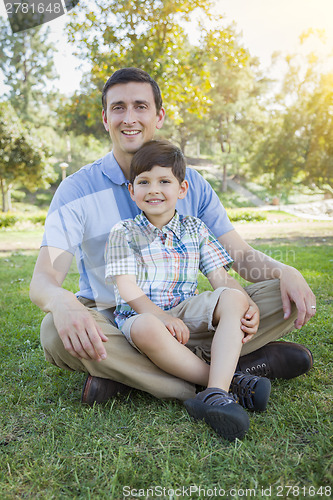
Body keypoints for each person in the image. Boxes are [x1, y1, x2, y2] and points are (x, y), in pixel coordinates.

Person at [29, 67, 315, 407]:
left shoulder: (187, 182)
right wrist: (62, 302)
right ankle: (229, 375)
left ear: (158, 115)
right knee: (54, 331)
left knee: (281, 298)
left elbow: (238, 254)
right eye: (118, 107)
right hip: (118, 320)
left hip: (185, 314)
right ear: (105, 118)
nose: (129, 118)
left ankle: (130, 378)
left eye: (140, 106)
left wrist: (285, 273)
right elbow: (44, 279)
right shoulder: (76, 189)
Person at [105, 139, 272, 440]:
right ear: (132, 191)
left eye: (164, 181)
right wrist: (161, 318)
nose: (154, 189)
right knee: (146, 327)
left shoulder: (195, 229)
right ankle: (226, 384)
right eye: (144, 182)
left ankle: (215, 393)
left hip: (186, 313)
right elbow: (126, 286)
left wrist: (247, 304)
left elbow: (220, 278)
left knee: (232, 297)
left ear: (181, 189)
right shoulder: (124, 232)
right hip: (141, 315)